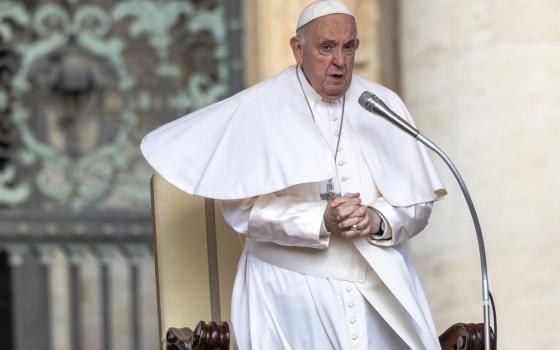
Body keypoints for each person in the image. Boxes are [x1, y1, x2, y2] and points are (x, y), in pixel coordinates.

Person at [141, 1, 447, 349]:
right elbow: (243, 212)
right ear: (297, 49)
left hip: (379, 287)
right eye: (327, 47)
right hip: (286, 292)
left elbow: (418, 202)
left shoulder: (383, 104)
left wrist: (378, 219)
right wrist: (321, 219)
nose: (340, 61)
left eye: (349, 47)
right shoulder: (259, 108)